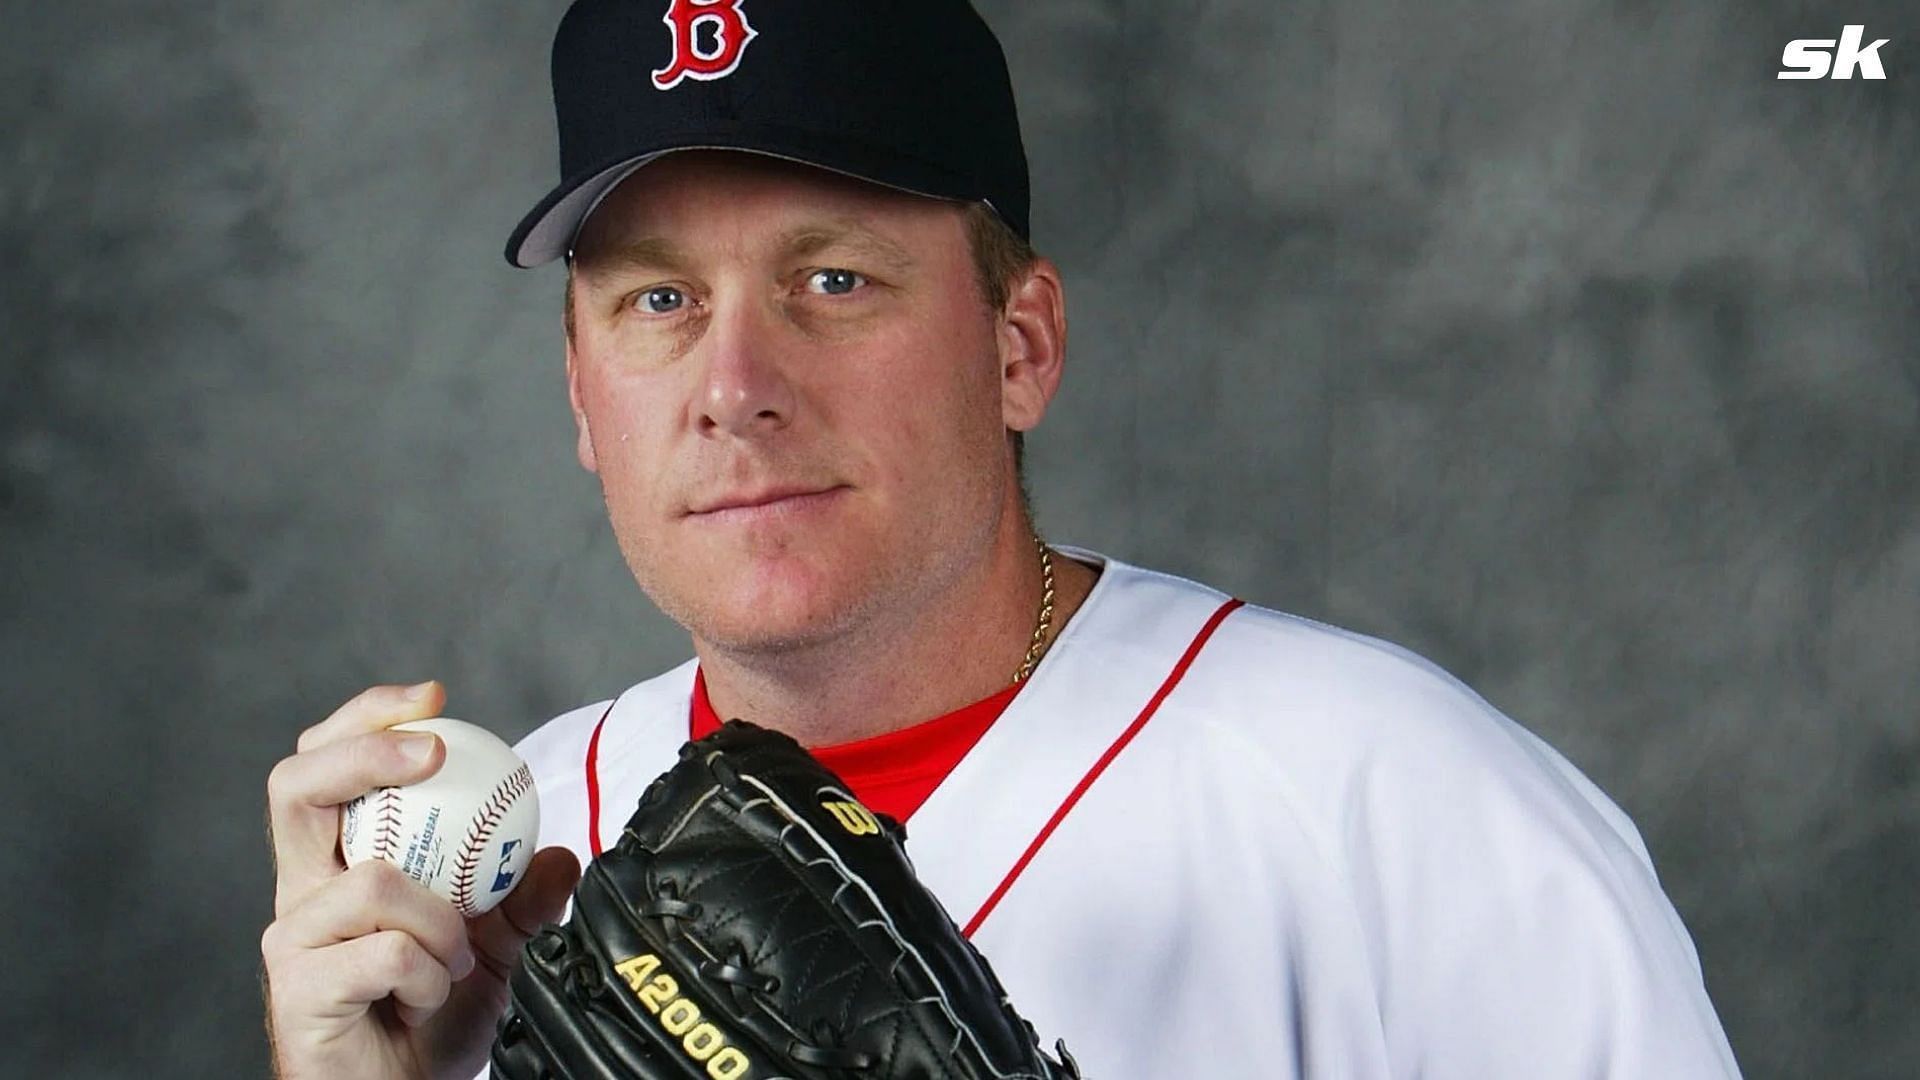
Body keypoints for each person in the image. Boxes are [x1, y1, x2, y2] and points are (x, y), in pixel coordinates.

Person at [260, 2, 1744, 1077]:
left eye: (833, 281)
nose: (733, 389)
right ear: (584, 396)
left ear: (1020, 345)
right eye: (658, 304)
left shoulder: (1402, 812)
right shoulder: (503, 878)